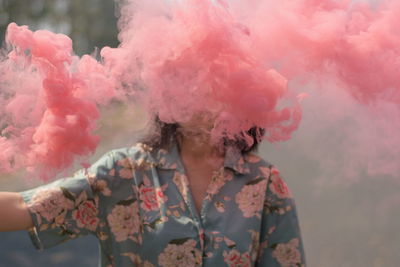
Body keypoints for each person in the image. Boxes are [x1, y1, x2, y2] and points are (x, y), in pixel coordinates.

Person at [0, 114, 306, 267]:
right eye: (195, 87)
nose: (207, 109)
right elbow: (27, 207)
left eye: (220, 92)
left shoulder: (262, 180)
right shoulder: (125, 170)